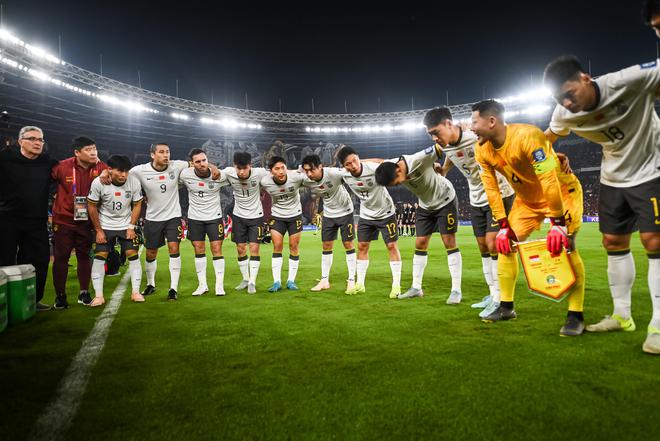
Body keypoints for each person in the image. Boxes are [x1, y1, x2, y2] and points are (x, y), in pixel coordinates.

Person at [544, 55, 660, 351]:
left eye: (570, 94)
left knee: (654, 240)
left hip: (652, 169)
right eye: (559, 99)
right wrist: (550, 154)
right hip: (612, 177)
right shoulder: (563, 113)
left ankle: (659, 325)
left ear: (586, 78)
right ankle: (622, 316)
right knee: (613, 242)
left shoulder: (627, 81)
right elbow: (545, 140)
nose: (566, 103)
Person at [471, 99, 586, 336]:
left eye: (474, 122)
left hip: (561, 192)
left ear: (491, 121)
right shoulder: (481, 149)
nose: (471, 128)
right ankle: (506, 307)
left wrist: (557, 223)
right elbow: (491, 189)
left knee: (567, 245)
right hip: (526, 201)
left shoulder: (528, 136)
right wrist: (503, 224)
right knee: (505, 244)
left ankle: (576, 315)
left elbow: (549, 180)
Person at [423, 107, 515, 316]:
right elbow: (451, 153)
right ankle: (492, 294)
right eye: (431, 135)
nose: (435, 138)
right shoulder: (444, 144)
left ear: (449, 124)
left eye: (436, 132)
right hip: (476, 198)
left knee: (493, 243)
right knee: (483, 246)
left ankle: (501, 299)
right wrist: (445, 169)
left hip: (499, 192)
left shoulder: (474, 135)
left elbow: (504, 136)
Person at [374, 146, 463, 303]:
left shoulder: (418, 159)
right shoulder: (390, 165)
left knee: (449, 241)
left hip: (445, 200)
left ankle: (456, 290)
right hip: (425, 206)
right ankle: (416, 288)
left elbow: (446, 145)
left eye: (396, 182)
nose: (399, 184)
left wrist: (444, 169)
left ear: (398, 170)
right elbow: (378, 161)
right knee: (420, 243)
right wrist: (357, 161)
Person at [128, 143, 196, 301]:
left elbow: (197, 163)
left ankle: (173, 288)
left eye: (168, 152)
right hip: (153, 218)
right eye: (161, 152)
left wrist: (212, 168)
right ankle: (150, 284)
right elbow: (122, 172)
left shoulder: (176, 165)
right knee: (151, 252)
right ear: (152, 155)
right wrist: (105, 172)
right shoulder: (140, 170)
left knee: (174, 248)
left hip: (173, 217)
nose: (166, 155)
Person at [0, 126, 57, 311]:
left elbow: (70, 167)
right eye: (32, 139)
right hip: (7, 219)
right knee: (4, 259)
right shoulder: (5, 158)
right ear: (20, 141)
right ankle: (4, 302)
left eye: (40, 139)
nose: (37, 143)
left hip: (36, 220)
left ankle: (33, 300)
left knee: (39, 260)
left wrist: (101, 167)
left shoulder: (47, 162)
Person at [50, 136, 107, 309]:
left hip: (86, 221)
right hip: (64, 220)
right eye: (88, 150)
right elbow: (45, 182)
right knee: (61, 257)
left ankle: (84, 292)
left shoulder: (101, 167)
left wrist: (106, 171)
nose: (93, 152)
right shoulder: (62, 167)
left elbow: (115, 174)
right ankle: (60, 296)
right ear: (77, 152)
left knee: (84, 256)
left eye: (94, 149)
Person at [337, 146, 402, 298]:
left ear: (358, 157)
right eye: (348, 164)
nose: (353, 165)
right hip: (366, 215)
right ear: (344, 166)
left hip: (386, 213)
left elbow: (386, 163)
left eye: (355, 160)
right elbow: (324, 173)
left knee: (391, 246)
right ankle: (360, 284)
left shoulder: (372, 168)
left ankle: (396, 285)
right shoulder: (344, 175)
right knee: (362, 247)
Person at [87, 155, 144, 306]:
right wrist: (98, 230)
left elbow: (137, 204)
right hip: (105, 225)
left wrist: (131, 226)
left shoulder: (134, 181)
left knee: (133, 255)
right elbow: (91, 207)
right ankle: (99, 296)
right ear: (110, 170)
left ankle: (136, 292)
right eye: (120, 171)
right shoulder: (98, 182)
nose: (124, 175)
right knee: (100, 257)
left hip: (126, 225)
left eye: (126, 171)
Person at [301, 154, 357, 293]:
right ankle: (324, 280)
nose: (309, 174)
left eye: (311, 170)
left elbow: (352, 171)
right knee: (326, 246)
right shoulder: (307, 179)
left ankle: (351, 280)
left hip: (345, 212)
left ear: (320, 167)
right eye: (306, 171)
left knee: (348, 244)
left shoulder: (333, 174)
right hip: (329, 214)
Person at [180, 149, 228, 296]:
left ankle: (219, 286)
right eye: (198, 161)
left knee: (216, 249)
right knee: (198, 249)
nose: (202, 164)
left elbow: (237, 176)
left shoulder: (219, 176)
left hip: (214, 217)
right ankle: (202, 285)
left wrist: (213, 167)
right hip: (195, 218)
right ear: (192, 163)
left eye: (204, 160)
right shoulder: (185, 174)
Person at [221, 152, 270, 294]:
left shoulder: (260, 173)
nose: (241, 172)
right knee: (240, 249)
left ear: (250, 166)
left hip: (256, 217)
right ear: (234, 166)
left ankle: (252, 282)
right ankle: (245, 279)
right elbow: (214, 174)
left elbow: (277, 173)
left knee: (254, 248)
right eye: (238, 168)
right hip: (238, 217)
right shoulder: (229, 173)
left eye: (245, 168)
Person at [260, 156, 305, 292]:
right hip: (277, 216)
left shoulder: (296, 178)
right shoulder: (265, 181)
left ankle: (291, 281)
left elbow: (311, 178)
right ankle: (277, 282)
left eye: (282, 168)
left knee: (294, 246)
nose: (280, 171)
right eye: (276, 169)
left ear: (286, 168)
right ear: (271, 171)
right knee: (277, 246)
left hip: (295, 216)